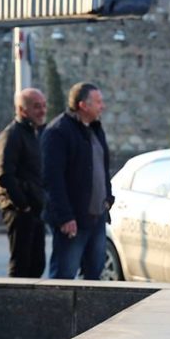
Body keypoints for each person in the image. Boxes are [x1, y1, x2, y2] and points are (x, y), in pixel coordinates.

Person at [41, 82, 114, 280]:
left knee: (95, 272)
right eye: (98, 102)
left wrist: (108, 197)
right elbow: (52, 179)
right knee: (64, 275)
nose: (102, 106)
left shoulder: (96, 129)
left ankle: (90, 312)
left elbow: (102, 168)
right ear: (83, 105)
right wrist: (65, 217)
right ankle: (56, 311)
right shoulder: (58, 132)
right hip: (73, 219)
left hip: (96, 216)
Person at [0, 87, 48, 278]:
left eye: (43, 106)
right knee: (21, 265)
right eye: (36, 107)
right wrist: (23, 205)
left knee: (37, 264)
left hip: (34, 209)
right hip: (19, 211)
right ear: (22, 109)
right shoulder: (13, 134)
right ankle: (14, 305)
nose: (42, 111)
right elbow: (5, 175)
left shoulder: (34, 133)